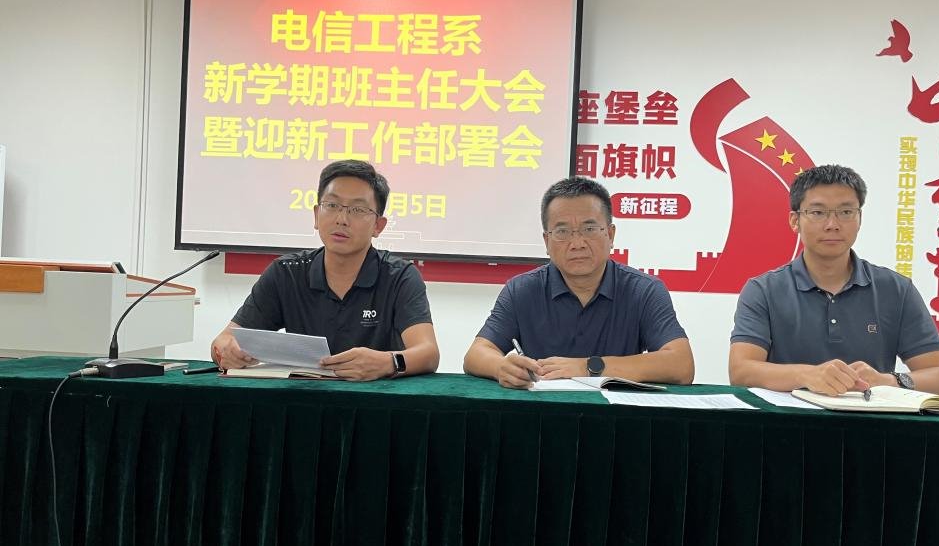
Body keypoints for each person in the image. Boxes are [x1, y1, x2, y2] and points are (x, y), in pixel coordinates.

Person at [729, 164, 939, 396]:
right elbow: (741, 371)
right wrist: (807, 375)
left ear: (859, 218)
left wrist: (887, 381)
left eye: (846, 212)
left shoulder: (896, 289)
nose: (833, 225)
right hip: (788, 417)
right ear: (795, 221)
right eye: (818, 213)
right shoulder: (763, 290)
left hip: (870, 417)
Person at [211, 160, 439, 380]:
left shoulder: (399, 276)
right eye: (332, 205)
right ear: (316, 215)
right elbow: (223, 341)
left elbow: (428, 353)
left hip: (376, 398)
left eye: (358, 210)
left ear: (378, 226)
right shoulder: (286, 273)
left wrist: (387, 362)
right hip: (303, 397)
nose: (342, 219)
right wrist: (227, 352)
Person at [464, 177, 695, 389]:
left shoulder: (643, 291)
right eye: (563, 231)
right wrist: (501, 368)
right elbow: (476, 354)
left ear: (610, 235)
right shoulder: (521, 290)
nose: (577, 243)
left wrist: (588, 367)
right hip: (542, 414)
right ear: (546, 241)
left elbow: (681, 365)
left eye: (589, 229)